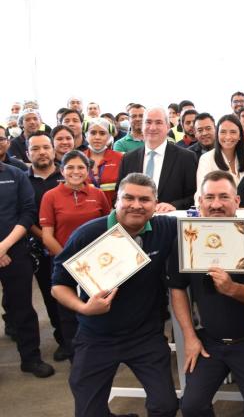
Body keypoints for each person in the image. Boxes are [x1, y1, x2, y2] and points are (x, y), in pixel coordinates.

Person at [52, 173, 180, 417]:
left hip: (145, 335)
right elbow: (58, 285)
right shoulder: (87, 234)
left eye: (144, 200)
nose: (136, 205)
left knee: (165, 406)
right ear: (115, 201)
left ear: (156, 204)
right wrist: (84, 308)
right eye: (128, 198)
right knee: (89, 413)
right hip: (96, 336)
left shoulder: (165, 228)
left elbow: (205, 226)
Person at [168, 170, 244, 416]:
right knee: (192, 406)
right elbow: (177, 288)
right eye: (210, 197)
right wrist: (190, 337)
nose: (216, 204)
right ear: (200, 202)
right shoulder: (187, 238)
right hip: (209, 343)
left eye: (224, 197)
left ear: (237, 201)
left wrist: (232, 289)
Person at [40, 150, 112, 358]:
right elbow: (47, 237)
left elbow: (107, 228)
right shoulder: (50, 196)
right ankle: (76, 356)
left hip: (97, 266)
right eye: (70, 167)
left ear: (88, 171)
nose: (76, 171)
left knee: (99, 310)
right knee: (69, 315)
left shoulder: (97, 194)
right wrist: (71, 263)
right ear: (62, 170)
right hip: (65, 265)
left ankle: (101, 354)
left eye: (81, 167)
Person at [0, 136, 55, 378]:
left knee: (22, 307)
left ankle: (30, 358)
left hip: (15, 249)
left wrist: (5, 245)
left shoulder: (16, 173)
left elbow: (28, 212)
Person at [25, 133, 66, 360]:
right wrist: (46, 240)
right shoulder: (24, 180)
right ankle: (62, 338)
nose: (42, 152)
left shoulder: (68, 174)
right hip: (41, 249)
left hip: (71, 246)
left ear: (53, 150)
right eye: (36, 148)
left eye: (46, 147)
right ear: (27, 153)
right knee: (51, 294)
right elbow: (26, 216)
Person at [116, 106, 198, 212]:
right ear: (142, 126)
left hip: (170, 223)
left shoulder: (186, 158)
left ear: (168, 127)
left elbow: (194, 196)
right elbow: (119, 193)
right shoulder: (128, 159)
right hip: (136, 222)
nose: (153, 127)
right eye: (148, 122)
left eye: (158, 122)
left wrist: (174, 206)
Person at [195, 114, 244, 203]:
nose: (228, 136)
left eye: (233, 132)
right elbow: (201, 193)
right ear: (217, 134)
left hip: (243, 213)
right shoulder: (206, 159)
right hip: (217, 212)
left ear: (240, 136)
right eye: (223, 132)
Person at [83, 118, 123, 206]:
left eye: (102, 133)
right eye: (93, 133)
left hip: (113, 212)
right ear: (86, 135)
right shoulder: (78, 159)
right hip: (85, 212)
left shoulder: (120, 158)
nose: (97, 137)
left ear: (109, 136)